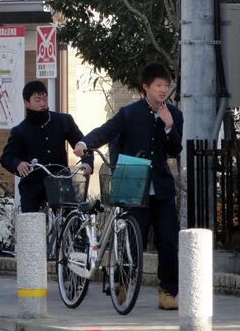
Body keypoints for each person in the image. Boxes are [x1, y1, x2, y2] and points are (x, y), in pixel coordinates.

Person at [73, 62, 184, 310]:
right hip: (134, 184)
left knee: (168, 241)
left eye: (166, 86)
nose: (163, 90)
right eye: (158, 85)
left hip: (162, 189)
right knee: (134, 240)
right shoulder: (130, 113)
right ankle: (124, 281)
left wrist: (168, 126)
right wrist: (84, 142)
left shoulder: (174, 115)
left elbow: (175, 150)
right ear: (146, 87)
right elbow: (106, 131)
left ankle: (167, 292)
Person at [0, 80, 93, 213]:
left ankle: (70, 232)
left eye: (45, 98)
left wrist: (87, 162)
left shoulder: (63, 121)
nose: (43, 103)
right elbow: (6, 157)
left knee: (71, 219)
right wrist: (18, 163)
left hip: (60, 180)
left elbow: (83, 143)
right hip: (33, 184)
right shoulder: (20, 130)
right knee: (31, 224)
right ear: (27, 103)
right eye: (37, 100)